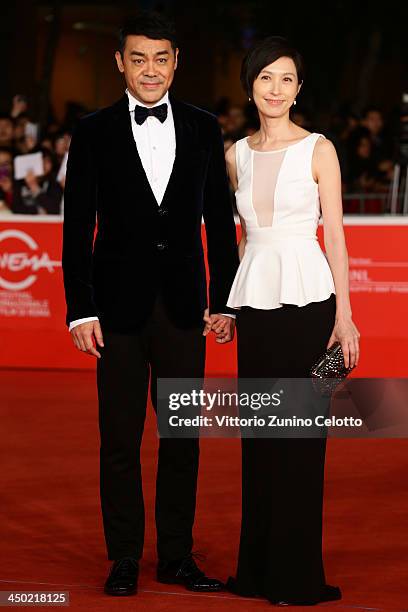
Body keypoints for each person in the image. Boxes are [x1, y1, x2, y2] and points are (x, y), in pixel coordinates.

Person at [62, 11, 238, 598]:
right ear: (120, 62)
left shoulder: (202, 126)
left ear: (175, 62)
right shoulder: (92, 131)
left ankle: (177, 557)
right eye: (138, 58)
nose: (150, 69)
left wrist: (226, 301)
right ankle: (124, 557)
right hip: (115, 312)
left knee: (181, 438)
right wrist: (80, 310)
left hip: (187, 308)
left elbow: (219, 219)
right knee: (119, 440)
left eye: (161, 58)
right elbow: (76, 225)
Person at [218, 36, 360, 605]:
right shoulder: (235, 155)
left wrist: (345, 319)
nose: (276, 89)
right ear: (250, 86)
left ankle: (297, 576)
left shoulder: (320, 149)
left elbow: (339, 236)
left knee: (304, 438)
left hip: (315, 305)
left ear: (299, 88)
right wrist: (226, 304)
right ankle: (256, 572)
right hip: (255, 308)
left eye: (287, 79)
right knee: (261, 439)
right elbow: (237, 239)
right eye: (265, 78)